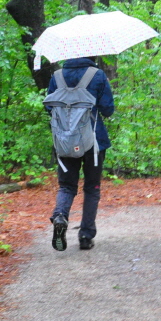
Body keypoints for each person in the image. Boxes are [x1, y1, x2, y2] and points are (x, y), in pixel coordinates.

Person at [47, 57, 114, 251]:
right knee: (92, 188)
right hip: (93, 141)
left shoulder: (57, 76)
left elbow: (49, 106)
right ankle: (85, 236)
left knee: (67, 186)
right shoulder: (97, 75)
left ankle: (60, 216)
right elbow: (108, 110)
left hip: (65, 141)